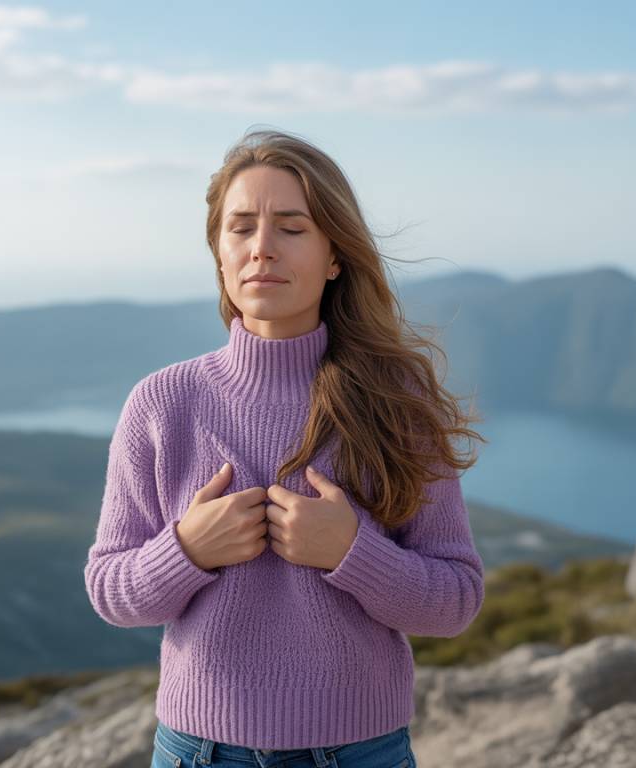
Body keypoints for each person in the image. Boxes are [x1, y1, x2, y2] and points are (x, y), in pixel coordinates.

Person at [84, 128, 487, 768]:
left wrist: (353, 552)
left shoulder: (396, 401)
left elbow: (457, 598)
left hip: (362, 754)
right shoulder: (163, 403)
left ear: (335, 255)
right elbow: (109, 587)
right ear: (218, 251)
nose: (261, 249)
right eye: (241, 227)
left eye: (292, 228)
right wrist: (185, 551)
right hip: (199, 753)